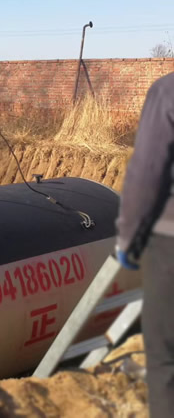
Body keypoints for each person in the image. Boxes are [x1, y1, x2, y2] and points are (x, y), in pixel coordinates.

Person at [116, 71, 174, 418]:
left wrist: (129, 236)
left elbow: (147, 174)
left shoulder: (167, 91)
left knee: (165, 360)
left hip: (170, 246)